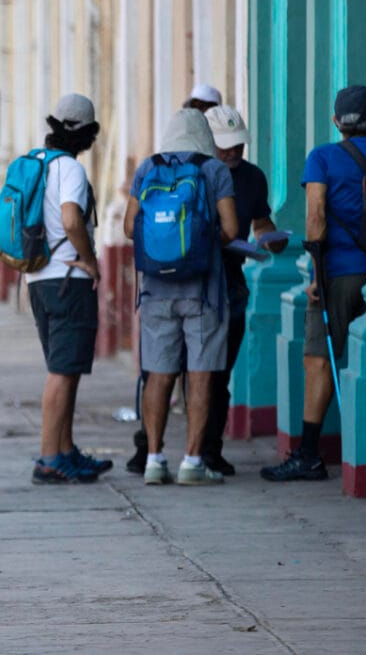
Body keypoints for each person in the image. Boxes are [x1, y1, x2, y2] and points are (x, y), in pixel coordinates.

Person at [261, 85, 366, 482]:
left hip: (337, 273)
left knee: (318, 359)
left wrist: (315, 275)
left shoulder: (322, 157)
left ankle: (309, 454)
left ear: (335, 121)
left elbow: (316, 217)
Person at [123, 107, 237, 486]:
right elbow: (231, 228)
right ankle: (192, 461)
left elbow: (129, 227)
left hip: (156, 289)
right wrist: (202, 243)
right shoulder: (214, 170)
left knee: (158, 375)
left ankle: (154, 459)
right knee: (200, 376)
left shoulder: (148, 168)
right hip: (204, 291)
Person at [25, 94, 113, 485]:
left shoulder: (36, 163)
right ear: (86, 133)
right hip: (68, 280)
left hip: (38, 280)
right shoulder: (70, 169)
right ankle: (49, 459)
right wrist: (90, 259)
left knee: (67, 368)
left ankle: (65, 450)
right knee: (62, 373)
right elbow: (71, 220)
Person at [201, 104, 288, 476]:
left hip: (232, 282)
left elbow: (261, 223)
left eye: (238, 144)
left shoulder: (252, 177)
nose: (233, 151)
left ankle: (210, 450)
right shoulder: (197, 174)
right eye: (225, 145)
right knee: (186, 370)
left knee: (221, 372)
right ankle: (153, 449)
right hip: (197, 281)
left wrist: (272, 239)